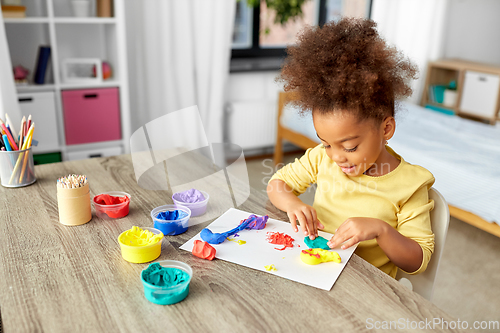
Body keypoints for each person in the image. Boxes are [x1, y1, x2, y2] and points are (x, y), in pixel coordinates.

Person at [267, 17, 434, 278]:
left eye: (350, 147)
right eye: (326, 143)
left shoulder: (412, 184)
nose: (335, 156)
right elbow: (277, 184)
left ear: (386, 129)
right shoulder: (321, 158)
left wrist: (381, 230)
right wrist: (292, 204)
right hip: (315, 272)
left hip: (365, 288)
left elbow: (417, 260)